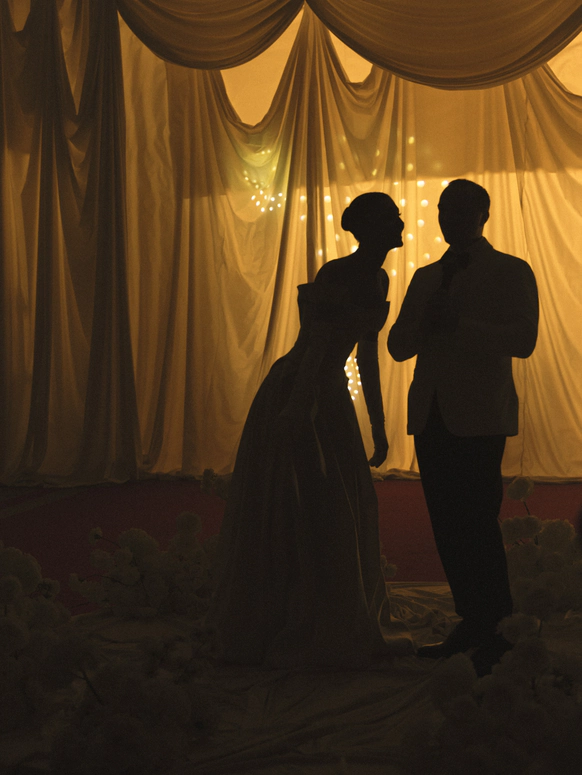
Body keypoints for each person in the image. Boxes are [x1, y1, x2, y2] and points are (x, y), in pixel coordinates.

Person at [207, 192, 412, 669]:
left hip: (324, 391)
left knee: (339, 499)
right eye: (391, 217)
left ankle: (330, 606)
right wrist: (298, 408)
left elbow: (365, 354)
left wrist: (379, 426)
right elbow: (318, 344)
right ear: (369, 228)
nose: (401, 222)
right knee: (309, 500)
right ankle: (298, 610)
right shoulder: (337, 275)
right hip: (300, 389)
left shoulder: (378, 278)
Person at [388, 179, 539, 676]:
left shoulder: (511, 270)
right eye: (443, 209)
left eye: (459, 209)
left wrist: (460, 324)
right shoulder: (426, 276)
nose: (448, 217)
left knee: (477, 524)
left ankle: (498, 627)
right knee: (447, 526)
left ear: (483, 214)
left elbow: (524, 340)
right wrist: (424, 325)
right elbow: (398, 346)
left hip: (479, 416)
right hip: (430, 414)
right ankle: (472, 621)